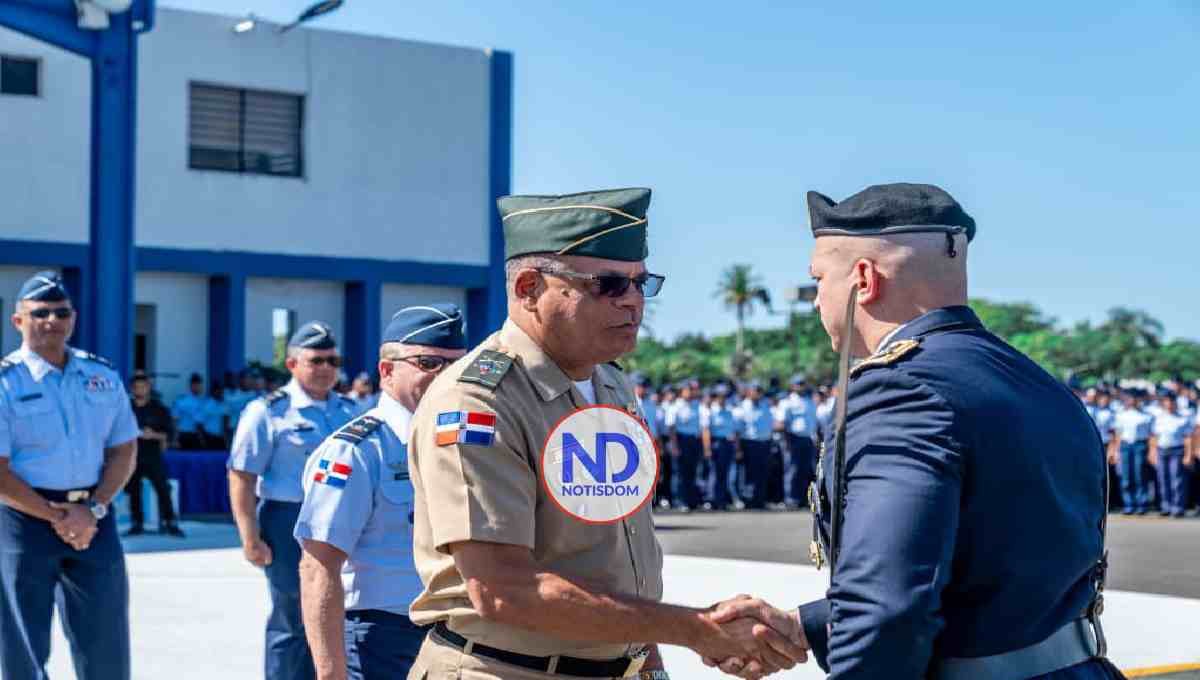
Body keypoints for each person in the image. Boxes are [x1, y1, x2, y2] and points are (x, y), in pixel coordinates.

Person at [708, 183, 1121, 680]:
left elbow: (889, 610)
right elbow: (987, 577)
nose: (817, 299)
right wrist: (807, 628)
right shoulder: (1035, 382)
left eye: (819, 279)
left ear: (863, 279)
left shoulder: (900, 390)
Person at [405, 188, 806, 680]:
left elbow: (619, 556)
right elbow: (503, 589)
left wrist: (646, 656)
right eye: (610, 284)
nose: (634, 301)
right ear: (530, 287)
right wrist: (697, 628)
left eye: (642, 283)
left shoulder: (609, 383)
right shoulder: (477, 401)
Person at [296, 305, 468, 680]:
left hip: (459, 634)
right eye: (429, 362)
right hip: (383, 638)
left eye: (458, 364)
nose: (448, 376)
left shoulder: (468, 444)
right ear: (387, 371)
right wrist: (330, 673)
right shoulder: (355, 451)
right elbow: (318, 566)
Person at [0, 271, 139, 680]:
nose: (51, 321)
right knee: (23, 645)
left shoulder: (101, 376)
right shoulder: (6, 383)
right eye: (40, 312)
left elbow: (123, 449)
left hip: (94, 517)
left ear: (73, 319)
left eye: (60, 312)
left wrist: (92, 509)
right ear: (17, 321)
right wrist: (56, 515)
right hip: (25, 519)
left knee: (106, 642)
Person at [228, 322, 361, 680]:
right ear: (292, 364)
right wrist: (249, 536)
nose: (326, 369)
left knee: (340, 612)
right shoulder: (268, 412)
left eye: (333, 361)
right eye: (316, 360)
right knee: (293, 616)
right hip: (288, 520)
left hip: (344, 519)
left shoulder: (352, 410)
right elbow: (242, 475)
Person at [126, 371, 184, 537]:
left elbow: (170, 433)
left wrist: (154, 435)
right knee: (134, 490)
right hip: (132, 454)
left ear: (148, 388)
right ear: (132, 388)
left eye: (143, 387)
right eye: (136, 387)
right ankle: (136, 522)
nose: (140, 390)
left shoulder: (159, 409)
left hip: (153, 454)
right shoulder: (125, 408)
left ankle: (170, 522)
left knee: (162, 488)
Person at [1148, 392, 1193, 517]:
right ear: (1163, 403)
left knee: (1177, 480)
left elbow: (1188, 438)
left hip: (1177, 451)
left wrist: (1188, 455)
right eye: (1167, 401)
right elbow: (1154, 437)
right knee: (1163, 480)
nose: (1169, 404)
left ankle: (1177, 507)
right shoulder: (1159, 418)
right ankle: (1165, 506)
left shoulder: (1182, 418)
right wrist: (1152, 452)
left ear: (1175, 403)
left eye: (1171, 402)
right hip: (1162, 451)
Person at [776, 376, 818, 509]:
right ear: (792, 386)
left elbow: (813, 423)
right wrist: (787, 442)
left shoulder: (809, 401)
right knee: (792, 469)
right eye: (798, 384)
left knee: (805, 470)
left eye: (803, 384)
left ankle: (802, 498)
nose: (801, 386)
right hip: (792, 438)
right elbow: (781, 424)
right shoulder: (787, 402)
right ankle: (790, 499)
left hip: (807, 439)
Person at [734, 381, 775, 510]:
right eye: (755, 390)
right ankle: (748, 500)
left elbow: (769, 425)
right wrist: (738, 449)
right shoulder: (742, 407)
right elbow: (737, 432)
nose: (757, 393)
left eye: (759, 391)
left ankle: (760, 500)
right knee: (748, 473)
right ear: (748, 392)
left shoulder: (765, 406)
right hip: (749, 443)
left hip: (764, 443)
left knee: (762, 473)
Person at [1114, 390, 1155, 515]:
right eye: (1130, 399)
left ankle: (1141, 503)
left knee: (1139, 475)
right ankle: (1129, 504)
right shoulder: (1121, 415)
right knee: (1126, 476)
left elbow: (1151, 435)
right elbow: (1118, 435)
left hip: (1140, 445)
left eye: (1135, 399)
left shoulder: (1146, 415)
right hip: (1126, 445)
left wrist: (1151, 451)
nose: (1132, 401)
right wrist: (1116, 451)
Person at [701, 383, 741, 511]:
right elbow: (706, 431)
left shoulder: (730, 411)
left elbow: (734, 432)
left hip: (727, 443)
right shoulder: (710, 411)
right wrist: (707, 448)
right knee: (714, 472)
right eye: (720, 396)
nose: (723, 399)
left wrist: (737, 447)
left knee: (725, 473)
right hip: (715, 443)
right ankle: (711, 499)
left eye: (725, 396)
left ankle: (722, 500)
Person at [665, 379, 703, 511]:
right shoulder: (675, 406)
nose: (692, 392)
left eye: (694, 390)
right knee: (680, 473)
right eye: (690, 390)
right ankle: (679, 500)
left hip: (694, 440)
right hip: (681, 440)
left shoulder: (696, 405)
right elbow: (671, 428)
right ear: (682, 391)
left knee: (692, 472)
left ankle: (690, 500)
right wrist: (674, 446)